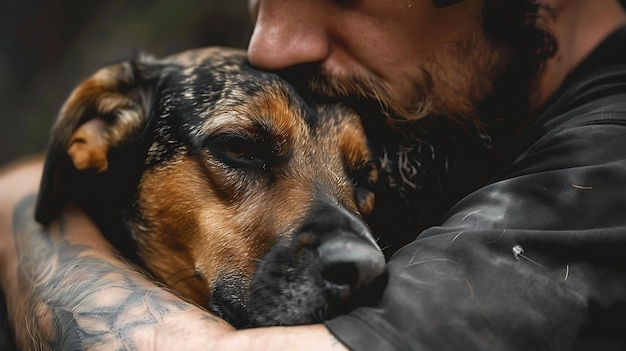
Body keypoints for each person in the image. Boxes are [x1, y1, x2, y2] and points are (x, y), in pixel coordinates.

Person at [1, 0, 626, 349]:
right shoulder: (447, 118)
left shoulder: (609, 159)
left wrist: (26, 214)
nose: (267, 47)